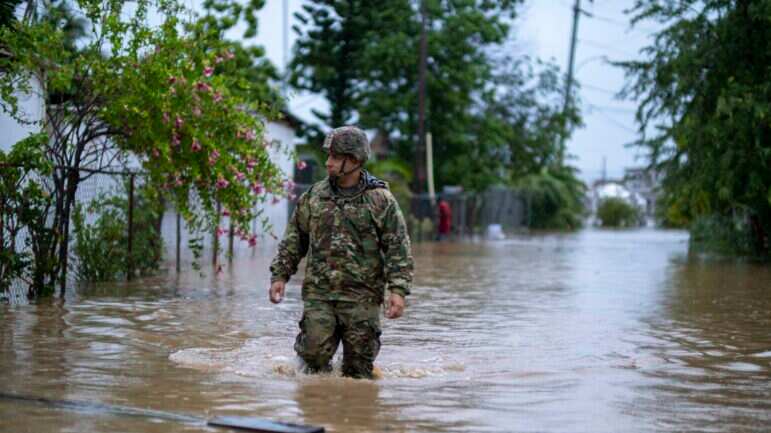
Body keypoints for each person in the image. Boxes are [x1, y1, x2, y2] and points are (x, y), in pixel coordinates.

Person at [268, 126, 414, 379]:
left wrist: (398, 291)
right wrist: (279, 276)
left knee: (358, 370)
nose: (328, 163)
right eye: (329, 156)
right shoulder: (314, 197)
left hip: (362, 297)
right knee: (312, 358)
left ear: (354, 160)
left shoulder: (380, 200)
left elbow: (398, 248)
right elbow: (294, 240)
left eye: (335, 157)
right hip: (320, 294)